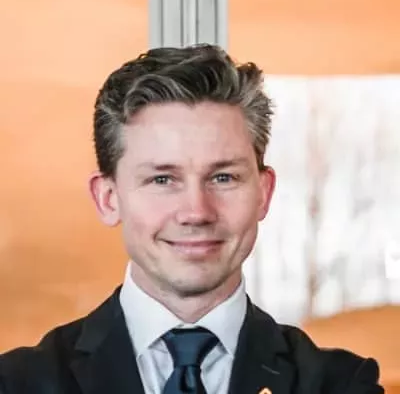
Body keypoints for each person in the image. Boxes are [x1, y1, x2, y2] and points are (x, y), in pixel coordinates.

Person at [0, 44, 383, 394]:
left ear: (264, 193)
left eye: (223, 177)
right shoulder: (17, 384)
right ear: (108, 199)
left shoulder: (342, 385)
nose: (196, 212)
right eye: (162, 179)